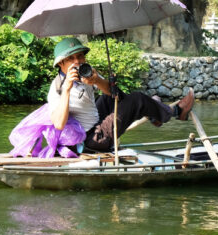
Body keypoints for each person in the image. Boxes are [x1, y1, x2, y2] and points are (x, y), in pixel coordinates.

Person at [47, 37, 194, 152]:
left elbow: (114, 94)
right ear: (61, 63)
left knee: (110, 96)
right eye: (71, 59)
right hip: (91, 140)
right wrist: (67, 89)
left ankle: (154, 112)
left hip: (96, 122)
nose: (77, 62)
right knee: (137, 99)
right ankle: (175, 112)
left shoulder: (86, 72)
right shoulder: (57, 88)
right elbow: (59, 124)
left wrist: (97, 80)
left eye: (80, 56)